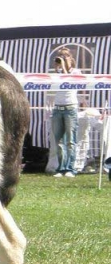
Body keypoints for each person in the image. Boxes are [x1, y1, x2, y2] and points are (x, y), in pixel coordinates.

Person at [51, 48, 79, 178]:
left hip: (70, 108)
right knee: (59, 141)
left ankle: (70, 168)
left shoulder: (76, 72)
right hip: (57, 108)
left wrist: (64, 67)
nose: (61, 58)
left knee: (70, 141)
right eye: (59, 56)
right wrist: (57, 69)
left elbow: (69, 81)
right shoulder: (57, 72)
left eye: (64, 56)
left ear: (70, 58)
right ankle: (61, 168)